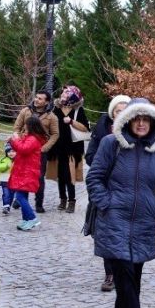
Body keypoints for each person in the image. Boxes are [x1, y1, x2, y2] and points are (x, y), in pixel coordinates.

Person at [86, 98, 155, 308]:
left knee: (134, 271)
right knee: (123, 270)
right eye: (136, 119)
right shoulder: (110, 144)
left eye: (146, 119)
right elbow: (95, 177)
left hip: (144, 221)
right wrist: (106, 203)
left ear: (153, 122)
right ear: (127, 120)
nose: (141, 124)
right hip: (115, 218)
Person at [85, 94, 130, 292]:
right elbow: (90, 156)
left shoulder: (137, 131)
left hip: (128, 191)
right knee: (104, 233)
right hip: (105, 189)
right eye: (118, 110)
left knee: (125, 232)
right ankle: (110, 273)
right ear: (112, 112)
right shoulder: (103, 128)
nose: (121, 113)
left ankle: (125, 270)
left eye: (125, 110)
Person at [13, 90, 60, 213]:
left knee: (38, 177)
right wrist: (19, 142)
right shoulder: (25, 111)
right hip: (24, 149)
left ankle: (39, 203)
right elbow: (17, 128)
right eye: (36, 97)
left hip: (39, 152)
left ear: (46, 102)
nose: (36, 100)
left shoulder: (52, 117)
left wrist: (44, 148)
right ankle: (21, 199)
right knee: (22, 174)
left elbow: (55, 134)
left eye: (40, 98)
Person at [48, 84, 89, 214]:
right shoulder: (56, 108)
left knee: (69, 175)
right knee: (60, 176)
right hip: (57, 148)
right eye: (63, 92)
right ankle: (62, 199)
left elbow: (85, 129)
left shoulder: (78, 111)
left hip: (72, 148)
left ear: (72, 95)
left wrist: (71, 121)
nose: (62, 94)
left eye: (66, 93)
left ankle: (72, 201)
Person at [8, 117, 48, 231]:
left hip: (27, 172)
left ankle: (31, 218)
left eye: (26, 124)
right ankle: (26, 220)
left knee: (19, 196)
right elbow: (20, 148)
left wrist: (15, 139)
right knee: (23, 195)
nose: (24, 126)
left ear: (30, 126)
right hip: (23, 170)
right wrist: (13, 140)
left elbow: (23, 149)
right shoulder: (30, 138)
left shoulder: (33, 139)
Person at [0, 141, 16, 215]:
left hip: (14, 181)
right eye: (9, 152)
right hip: (4, 180)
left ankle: (8, 206)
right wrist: (6, 166)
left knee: (11, 194)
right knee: (6, 194)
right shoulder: (3, 160)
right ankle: (5, 206)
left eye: (13, 151)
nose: (11, 153)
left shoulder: (18, 160)